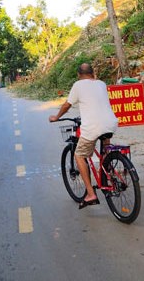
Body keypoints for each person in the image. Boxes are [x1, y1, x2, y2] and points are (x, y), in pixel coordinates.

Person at [48, 63, 118, 209]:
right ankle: (109, 170)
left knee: (79, 155)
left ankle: (91, 194)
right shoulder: (101, 83)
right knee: (105, 147)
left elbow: (67, 105)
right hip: (110, 123)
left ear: (79, 75)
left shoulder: (78, 85)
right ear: (93, 73)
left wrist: (56, 117)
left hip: (93, 127)